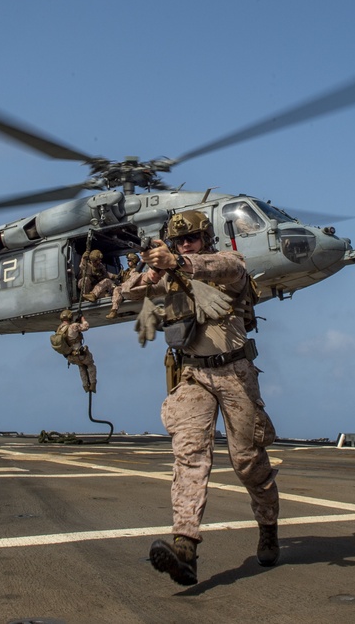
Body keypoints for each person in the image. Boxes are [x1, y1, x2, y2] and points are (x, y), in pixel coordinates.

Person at [124, 209, 279, 586]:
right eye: (178, 240)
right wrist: (151, 270)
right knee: (189, 454)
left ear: (206, 239)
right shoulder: (172, 277)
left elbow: (223, 267)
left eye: (191, 238)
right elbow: (128, 294)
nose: (184, 244)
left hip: (235, 373)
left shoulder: (229, 263)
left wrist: (177, 260)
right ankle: (185, 547)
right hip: (193, 374)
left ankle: (268, 525)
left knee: (246, 461)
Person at [54, 309, 97, 393]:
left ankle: (85, 386)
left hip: (70, 357)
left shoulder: (59, 329)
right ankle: (92, 384)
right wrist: (82, 319)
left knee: (81, 367)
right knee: (90, 365)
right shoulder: (73, 326)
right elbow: (86, 326)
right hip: (80, 354)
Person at [105, 252, 141, 319]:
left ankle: (114, 310)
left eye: (129, 260)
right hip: (124, 289)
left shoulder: (135, 271)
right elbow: (118, 278)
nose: (127, 262)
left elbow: (131, 282)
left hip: (130, 291)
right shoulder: (126, 271)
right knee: (107, 282)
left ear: (134, 261)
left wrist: (121, 285)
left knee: (117, 289)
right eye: (127, 260)